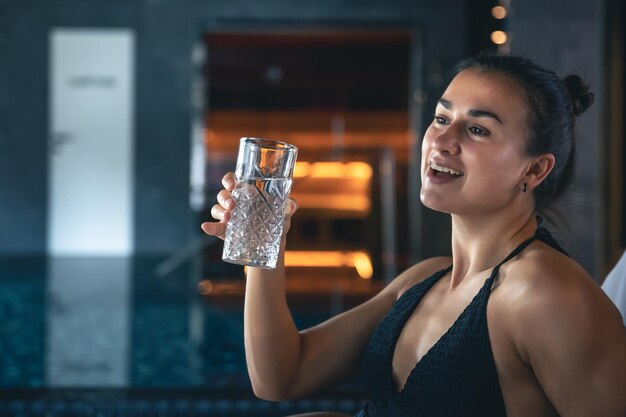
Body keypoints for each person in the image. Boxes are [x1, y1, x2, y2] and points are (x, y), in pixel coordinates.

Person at [201, 53, 626, 417]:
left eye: (477, 129)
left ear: (534, 169)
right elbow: (281, 376)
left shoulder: (545, 293)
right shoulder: (424, 280)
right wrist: (263, 251)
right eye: (442, 117)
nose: (441, 139)